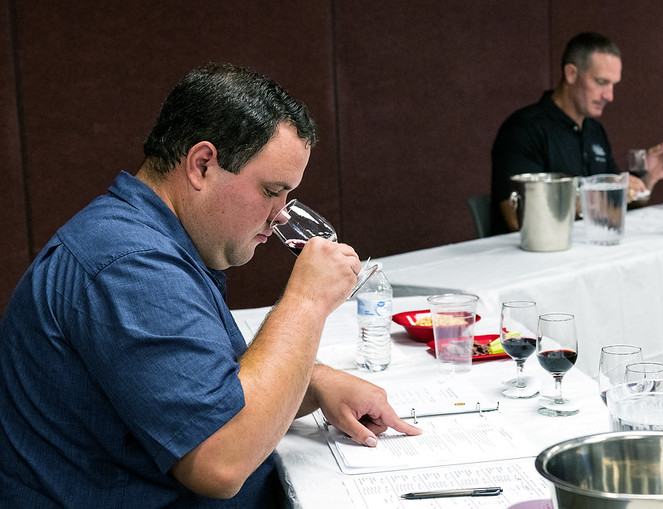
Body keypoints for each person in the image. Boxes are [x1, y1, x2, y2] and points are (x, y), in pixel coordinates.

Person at [0, 63, 421, 508]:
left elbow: (203, 387)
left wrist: (312, 383)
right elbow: (220, 464)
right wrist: (307, 301)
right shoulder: (130, 265)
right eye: (271, 190)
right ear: (202, 164)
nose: (281, 213)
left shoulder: (151, 238)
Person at [490, 32, 663, 235]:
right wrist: (594, 200)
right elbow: (517, 217)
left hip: (588, 250)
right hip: (532, 259)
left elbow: (613, 209)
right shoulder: (523, 129)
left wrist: (647, 177)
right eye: (601, 82)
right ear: (571, 73)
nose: (609, 96)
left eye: (613, 85)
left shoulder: (595, 131)